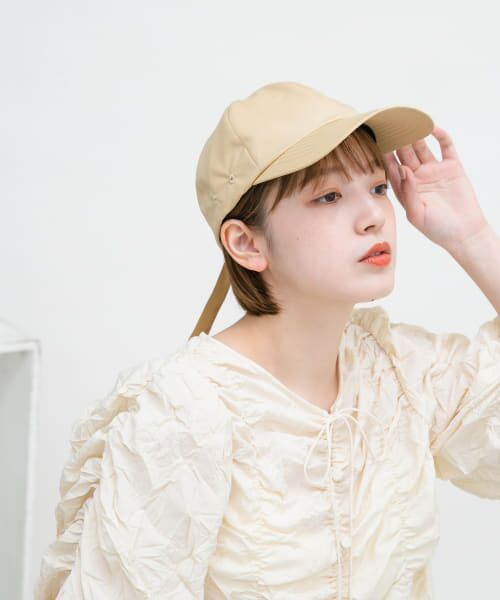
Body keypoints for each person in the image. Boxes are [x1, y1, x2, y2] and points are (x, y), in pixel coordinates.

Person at [34, 81, 500, 599]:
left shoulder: (398, 370)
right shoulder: (184, 414)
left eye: (377, 188)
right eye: (328, 195)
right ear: (246, 243)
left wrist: (472, 236)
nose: (374, 216)